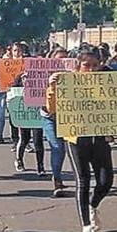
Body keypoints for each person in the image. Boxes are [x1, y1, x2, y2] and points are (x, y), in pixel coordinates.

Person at [47, 47, 113, 232]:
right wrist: (52, 88)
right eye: (86, 66)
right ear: (78, 66)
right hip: (76, 138)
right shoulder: (65, 81)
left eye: (95, 66)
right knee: (83, 181)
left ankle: (92, 205)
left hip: (100, 137)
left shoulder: (108, 80)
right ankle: (86, 226)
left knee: (106, 181)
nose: (91, 70)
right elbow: (51, 109)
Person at [41, 48, 72, 197]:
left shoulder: (74, 75)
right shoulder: (42, 75)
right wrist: (49, 84)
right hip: (50, 117)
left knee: (69, 150)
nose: (62, 63)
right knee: (57, 148)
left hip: (69, 117)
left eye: (66, 59)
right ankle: (57, 180)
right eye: (59, 60)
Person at [11, 42, 44, 173]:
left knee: (38, 140)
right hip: (24, 111)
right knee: (24, 138)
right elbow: (14, 92)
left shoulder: (40, 77)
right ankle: (19, 160)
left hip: (36, 111)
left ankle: (40, 166)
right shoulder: (19, 77)